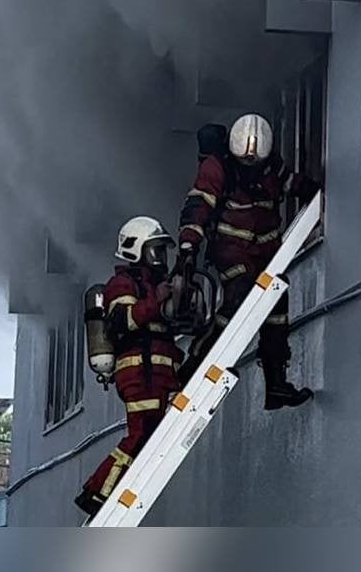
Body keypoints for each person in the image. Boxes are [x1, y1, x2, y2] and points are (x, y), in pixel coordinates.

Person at [176, 113, 319, 410]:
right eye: (246, 161)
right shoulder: (218, 167)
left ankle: (276, 384)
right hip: (230, 249)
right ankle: (198, 361)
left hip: (267, 252)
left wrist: (321, 192)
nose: (251, 167)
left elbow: (293, 182)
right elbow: (198, 205)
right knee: (238, 295)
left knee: (276, 310)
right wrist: (189, 247)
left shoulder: (271, 166)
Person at [74, 216, 182, 518]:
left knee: (151, 434)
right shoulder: (122, 284)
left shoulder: (150, 283)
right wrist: (156, 301)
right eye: (154, 250)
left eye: (161, 251)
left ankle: (104, 490)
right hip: (139, 373)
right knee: (141, 433)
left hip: (157, 374)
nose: (160, 257)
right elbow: (121, 323)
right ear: (135, 249)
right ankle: (98, 493)